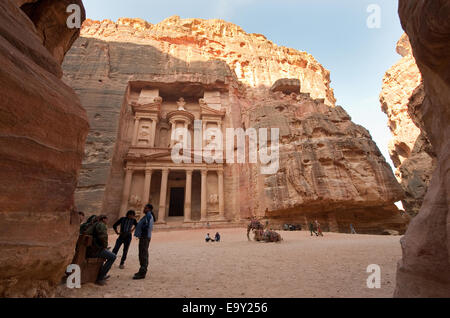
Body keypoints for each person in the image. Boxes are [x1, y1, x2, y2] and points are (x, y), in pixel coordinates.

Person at [86, 215, 116, 286]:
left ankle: (100, 274)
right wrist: (105, 246)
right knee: (113, 257)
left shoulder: (94, 225)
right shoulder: (101, 225)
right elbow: (103, 237)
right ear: (103, 219)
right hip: (94, 251)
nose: (107, 221)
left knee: (107, 254)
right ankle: (100, 278)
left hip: (90, 249)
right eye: (106, 220)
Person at [133, 204, 154, 280]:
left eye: (145, 208)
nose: (143, 209)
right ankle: (142, 270)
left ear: (148, 209)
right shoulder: (147, 216)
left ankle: (142, 272)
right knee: (143, 253)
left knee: (143, 254)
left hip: (144, 237)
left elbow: (146, 225)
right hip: (144, 237)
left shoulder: (148, 215)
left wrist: (141, 229)